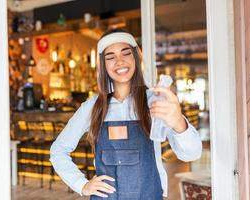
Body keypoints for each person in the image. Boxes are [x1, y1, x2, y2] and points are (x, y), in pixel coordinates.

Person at [50, 29, 202, 199]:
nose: (119, 61)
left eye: (125, 53)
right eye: (110, 57)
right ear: (103, 65)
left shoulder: (156, 100)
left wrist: (178, 122)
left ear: (135, 58)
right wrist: (82, 185)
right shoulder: (93, 106)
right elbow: (58, 150)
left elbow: (191, 154)